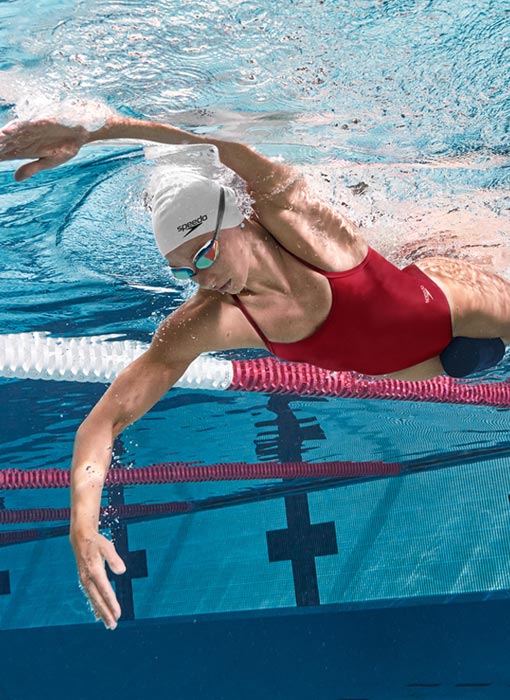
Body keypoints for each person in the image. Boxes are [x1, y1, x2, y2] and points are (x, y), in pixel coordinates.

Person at [1, 114, 509, 630]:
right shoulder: (210, 319)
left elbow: (219, 141)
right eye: (184, 270)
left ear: (235, 218)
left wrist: (94, 132)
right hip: (432, 362)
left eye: (204, 253)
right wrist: (82, 526)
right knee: (459, 361)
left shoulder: (296, 220)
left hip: (463, 297)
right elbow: (103, 421)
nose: (202, 277)